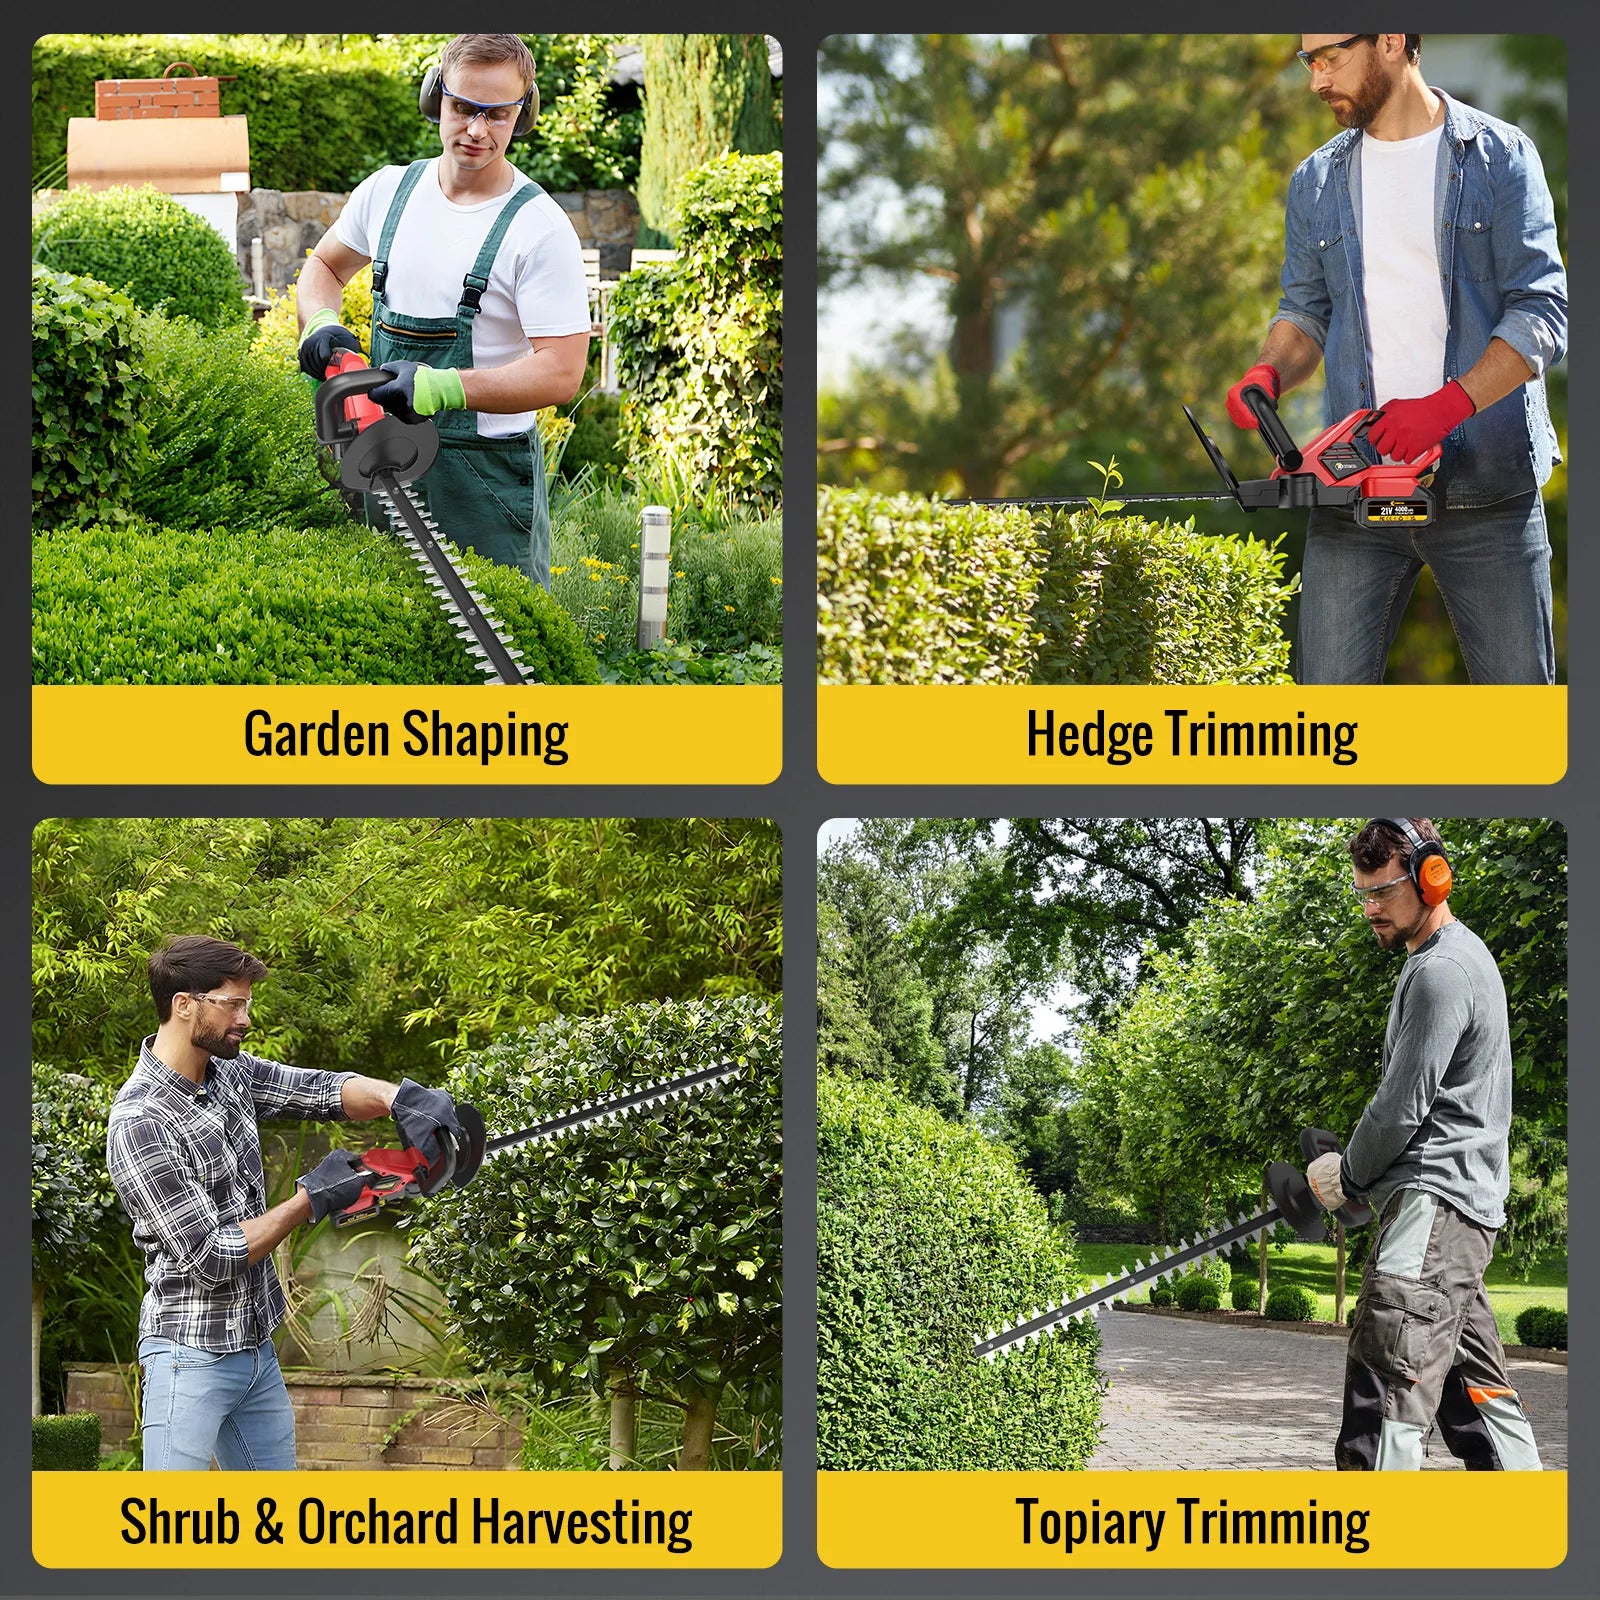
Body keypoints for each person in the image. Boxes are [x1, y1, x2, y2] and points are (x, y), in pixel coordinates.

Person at [1227, 34, 1566, 684]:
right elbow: (1305, 313)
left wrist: (1446, 408)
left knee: (1521, 730)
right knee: (1327, 733)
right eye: (1309, 62)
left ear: (1389, 39)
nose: (1316, 81)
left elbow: (1541, 310)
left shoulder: (1499, 158)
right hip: (1356, 494)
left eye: (1328, 58)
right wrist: (1268, 372)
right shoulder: (1317, 180)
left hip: (1488, 494)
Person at [106, 935, 468, 1470]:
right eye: (233, 1003)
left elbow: (321, 1091)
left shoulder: (228, 1072)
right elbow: (212, 1255)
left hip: (255, 1350)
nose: (245, 1018)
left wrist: (401, 1099)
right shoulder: (140, 1121)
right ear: (184, 1005)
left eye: (247, 1004)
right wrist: (311, 1199)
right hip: (190, 1355)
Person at [295, 33, 591, 587]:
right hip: (383, 458)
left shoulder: (539, 227)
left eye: (498, 115)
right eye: (463, 108)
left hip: (483, 482)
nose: (477, 130)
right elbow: (325, 269)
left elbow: (562, 371)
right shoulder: (388, 192)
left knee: (499, 651)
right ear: (437, 98)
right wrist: (320, 321)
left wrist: (444, 387)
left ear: (521, 116)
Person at [1303, 819, 1542, 1471]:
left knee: (1383, 1397)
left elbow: (1402, 1107)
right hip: (1457, 1223)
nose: (1371, 909)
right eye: (1363, 894)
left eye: (1382, 892)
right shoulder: (1454, 961)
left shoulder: (1442, 973)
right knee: (1478, 1401)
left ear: (1432, 877)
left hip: (1432, 1212)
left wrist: (1346, 1176)